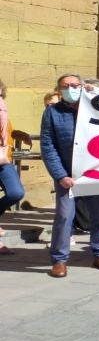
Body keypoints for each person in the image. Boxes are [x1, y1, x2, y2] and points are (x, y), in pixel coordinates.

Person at [40, 73, 99, 277]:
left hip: (94, 173)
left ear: (82, 86)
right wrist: (60, 175)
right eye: (65, 86)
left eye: (74, 85)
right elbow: (48, 146)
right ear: (59, 90)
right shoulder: (52, 112)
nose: (70, 89)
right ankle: (59, 260)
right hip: (66, 175)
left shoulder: (96, 106)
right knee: (64, 216)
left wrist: (97, 94)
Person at [0, 78, 26, 255]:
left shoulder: (3, 112)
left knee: (16, 192)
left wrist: (18, 134)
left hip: (3, 161)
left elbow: (6, 133)